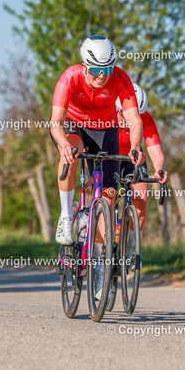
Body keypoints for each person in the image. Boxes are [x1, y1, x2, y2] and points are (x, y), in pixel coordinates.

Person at [49, 35, 144, 245]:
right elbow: (56, 121)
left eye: (107, 70)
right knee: (72, 152)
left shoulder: (121, 79)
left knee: (109, 194)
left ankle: (100, 255)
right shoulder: (70, 77)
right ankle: (66, 216)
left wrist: (136, 147)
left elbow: (135, 120)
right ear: (84, 66)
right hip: (73, 123)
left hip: (105, 127)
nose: (101, 76)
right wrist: (64, 144)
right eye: (95, 70)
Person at [116, 84, 168, 233]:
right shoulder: (107, 114)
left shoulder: (145, 118)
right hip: (108, 157)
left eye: (138, 113)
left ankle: (131, 243)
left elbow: (155, 149)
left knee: (141, 201)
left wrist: (159, 170)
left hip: (132, 159)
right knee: (108, 196)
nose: (133, 117)